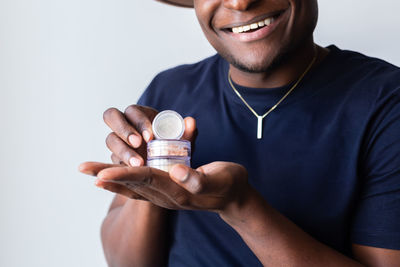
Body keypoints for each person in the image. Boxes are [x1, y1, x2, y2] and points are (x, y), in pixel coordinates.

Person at [79, 0, 400, 266]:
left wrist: (240, 206)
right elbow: (127, 262)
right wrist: (151, 175)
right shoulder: (170, 91)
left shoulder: (385, 101)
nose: (239, 2)